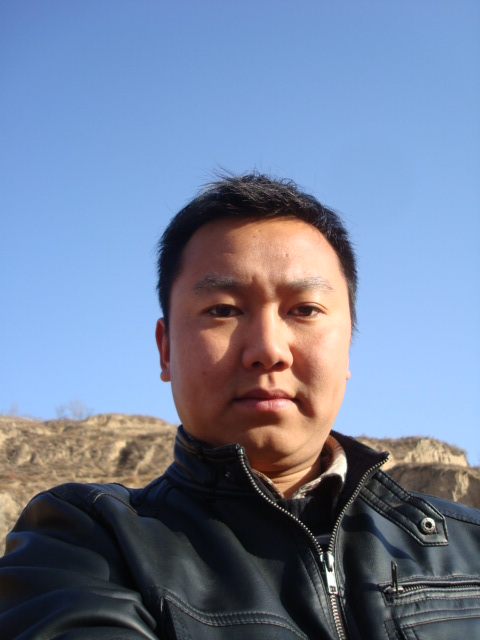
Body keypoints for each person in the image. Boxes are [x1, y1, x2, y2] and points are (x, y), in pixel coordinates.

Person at [1, 173, 479, 639]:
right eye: (223, 310)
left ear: (348, 346)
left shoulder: (468, 547)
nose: (268, 350)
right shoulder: (86, 542)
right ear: (166, 350)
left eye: (304, 309)